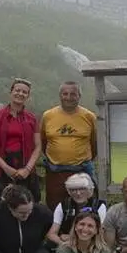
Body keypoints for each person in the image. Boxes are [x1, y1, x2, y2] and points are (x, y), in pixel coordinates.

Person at [40, 81, 97, 209]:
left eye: (73, 94)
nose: (69, 97)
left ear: (79, 96)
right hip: (55, 171)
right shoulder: (48, 116)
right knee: (55, 207)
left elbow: (95, 144)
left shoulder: (89, 116)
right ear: (60, 95)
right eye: (65, 94)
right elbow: (43, 142)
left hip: (81, 170)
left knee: (84, 207)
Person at [0, 78, 41, 200]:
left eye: (24, 92)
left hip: (24, 167)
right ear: (11, 92)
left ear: (28, 96)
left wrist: (27, 169)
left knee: (26, 204)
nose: (20, 94)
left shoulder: (32, 119)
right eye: (17, 90)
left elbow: (38, 146)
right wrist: (5, 168)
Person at [46, 173, 107, 251]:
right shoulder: (63, 205)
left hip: (91, 246)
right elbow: (51, 234)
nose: (78, 193)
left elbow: (101, 233)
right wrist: (65, 244)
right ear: (69, 191)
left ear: (90, 190)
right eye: (73, 190)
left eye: (82, 189)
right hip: (66, 247)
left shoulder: (99, 206)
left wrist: (71, 238)